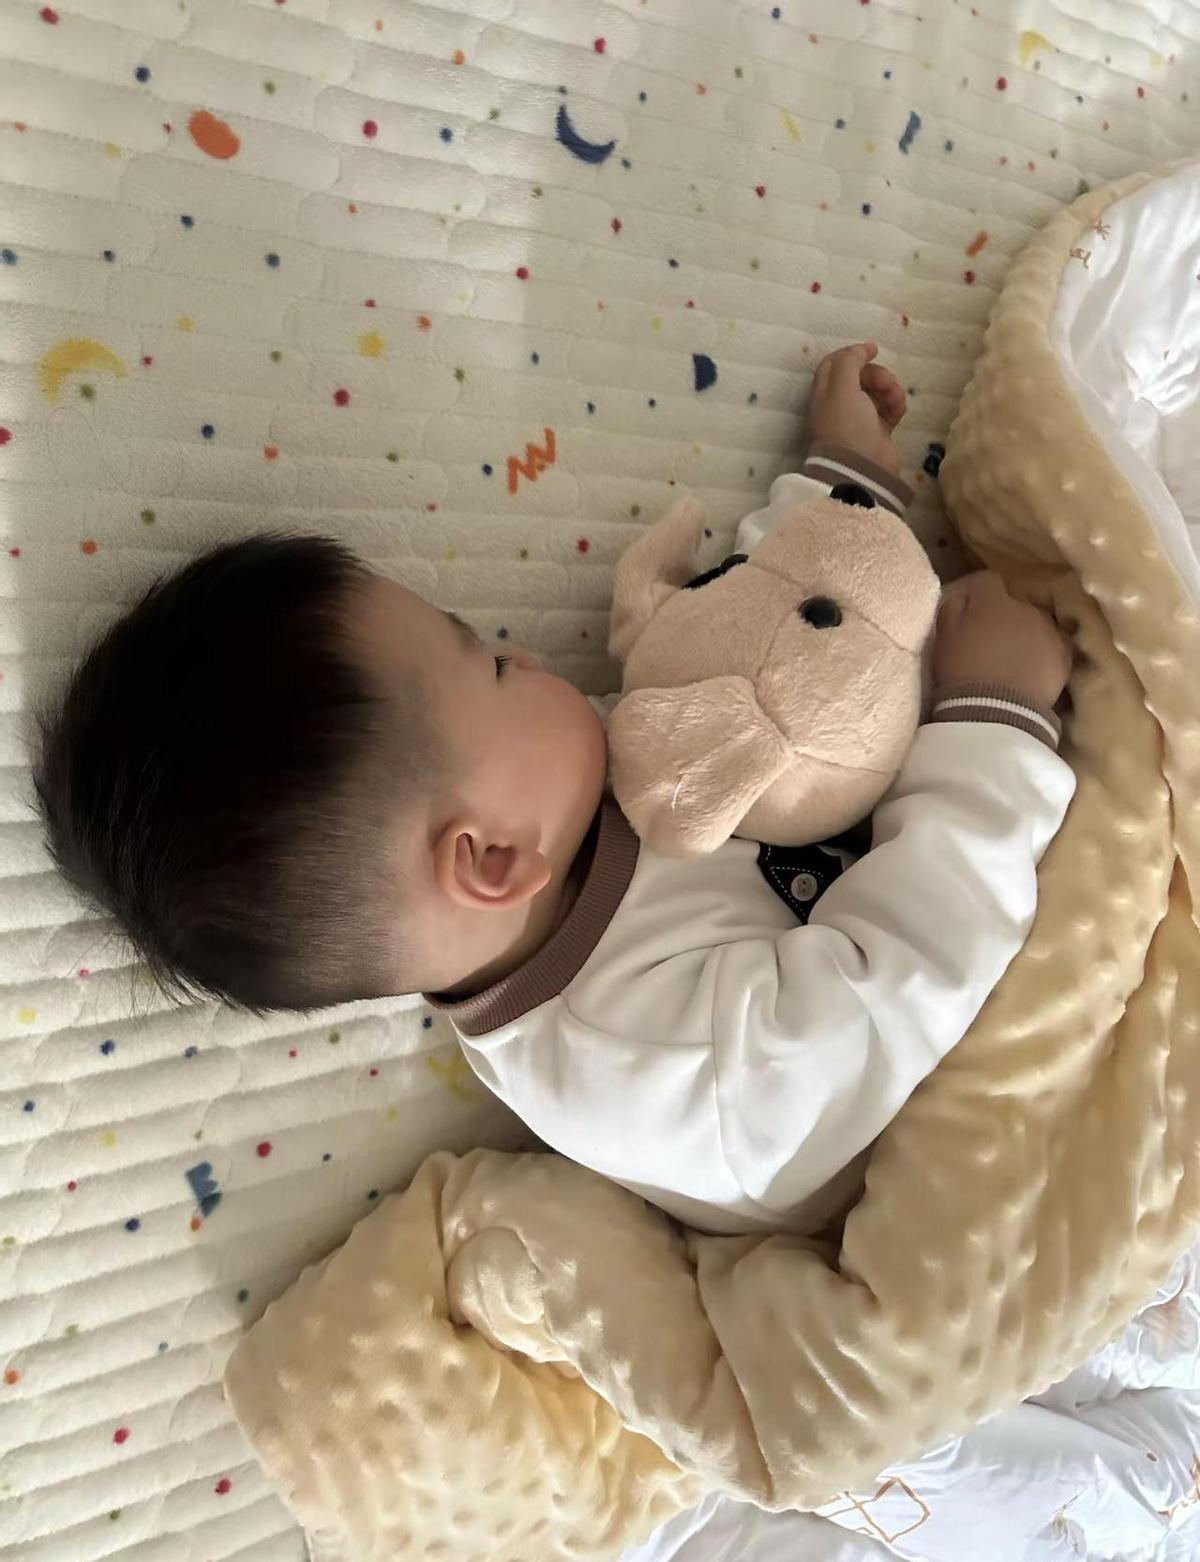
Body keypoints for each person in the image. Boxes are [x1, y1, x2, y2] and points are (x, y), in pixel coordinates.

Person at [34, 344, 1074, 1235]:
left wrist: (846, 486)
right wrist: (994, 718)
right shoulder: (651, 1060)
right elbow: (913, 979)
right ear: (488, 858)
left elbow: (744, 641)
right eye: (490, 662)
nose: (526, 652)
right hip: (961, 1127)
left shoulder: (561, 806)